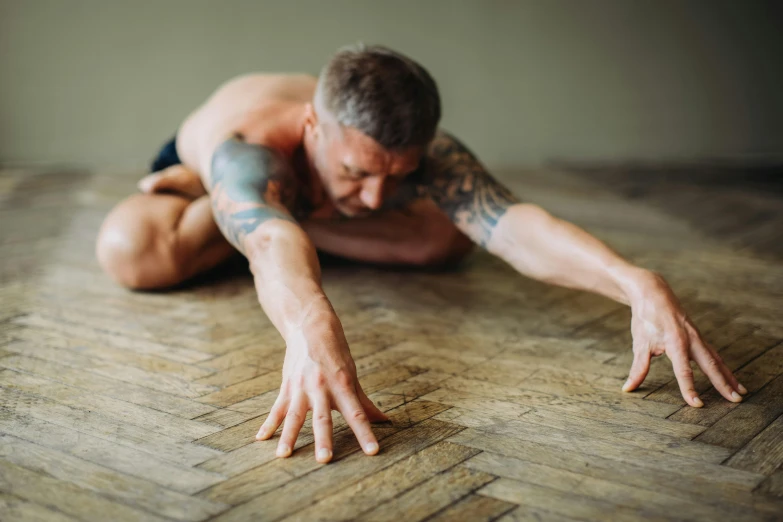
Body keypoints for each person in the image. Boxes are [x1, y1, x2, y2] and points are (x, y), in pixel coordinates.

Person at [96, 43, 747, 464]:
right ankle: (215, 196)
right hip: (237, 184)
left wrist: (633, 281)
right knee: (131, 252)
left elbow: (514, 226)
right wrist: (309, 323)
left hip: (286, 212)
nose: (378, 197)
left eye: (396, 174)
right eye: (356, 173)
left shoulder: (424, 154)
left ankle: (291, 212)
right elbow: (270, 245)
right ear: (312, 127)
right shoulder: (250, 147)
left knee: (444, 237)